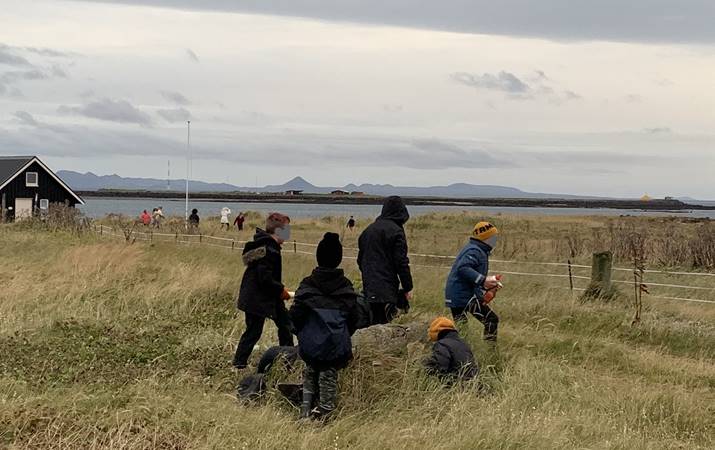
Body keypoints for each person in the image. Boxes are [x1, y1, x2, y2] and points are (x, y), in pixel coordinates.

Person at [289, 232, 360, 419]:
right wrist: (344, 334)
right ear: (338, 259)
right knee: (328, 375)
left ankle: (305, 410)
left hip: (310, 344)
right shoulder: (345, 287)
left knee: (310, 372)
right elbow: (354, 318)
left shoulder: (307, 285)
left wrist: (300, 333)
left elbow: (295, 316)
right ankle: (325, 410)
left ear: (318, 257)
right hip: (335, 346)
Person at [233, 213, 294, 369]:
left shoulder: (265, 246)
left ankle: (289, 360)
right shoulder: (268, 249)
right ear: (278, 231)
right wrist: (281, 290)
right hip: (257, 299)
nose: (288, 234)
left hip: (268, 296)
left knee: (285, 324)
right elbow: (264, 278)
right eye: (287, 230)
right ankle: (239, 364)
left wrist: (278, 291)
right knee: (254, 331)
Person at [357, 196, 413, 325]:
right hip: (387, 288)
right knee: (385, 323)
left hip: (369, 286)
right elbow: (401, 262)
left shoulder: (368, 231)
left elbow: (360, 261)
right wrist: (407, 286)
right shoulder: (396, 231)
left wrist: (368, 275)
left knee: (371, 321)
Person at [445, 222, 503, 342]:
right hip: (462, 296)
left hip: (459, 294)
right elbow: (463, 268)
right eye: (493, 237)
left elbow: (470, 274)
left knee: (463, 330)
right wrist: (483, 280)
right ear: (485, 238)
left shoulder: (477, 249)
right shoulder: (475, 251)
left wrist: (488, 283)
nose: (495, 240)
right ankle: (489, 352)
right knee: (491, 319)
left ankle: (462, 352)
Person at [424, 317, 479, 382]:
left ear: (436, 332)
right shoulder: (463, 344)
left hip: (454, 383)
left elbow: (440, 366)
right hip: (471, 384)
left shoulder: (442, 344)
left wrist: (425, 366)